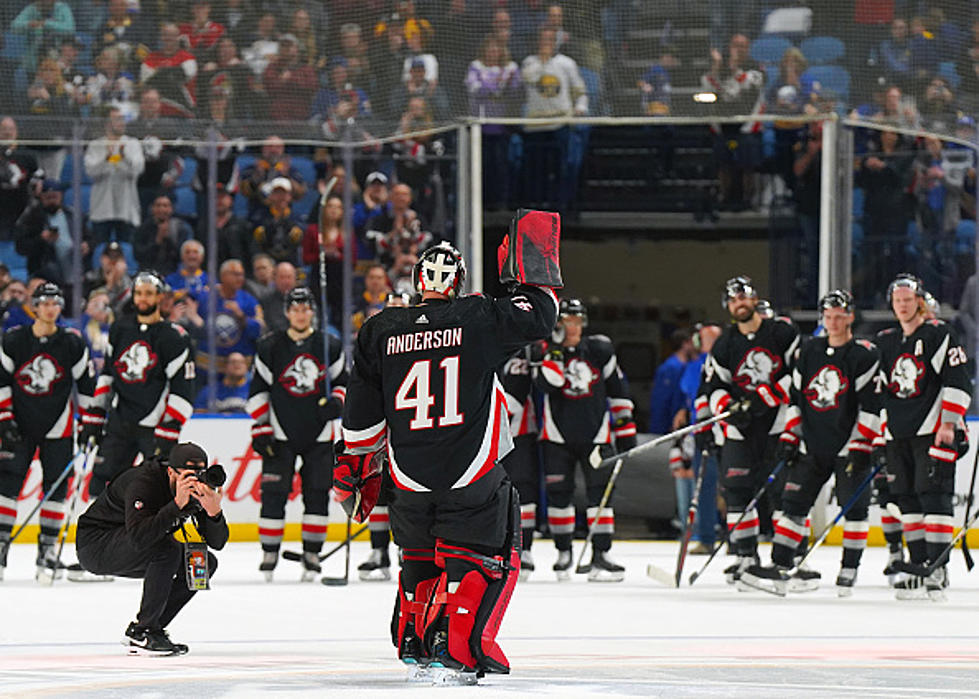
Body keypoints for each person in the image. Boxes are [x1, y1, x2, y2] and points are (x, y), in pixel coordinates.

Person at [337, 233, 560, 681]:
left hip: (408, 476)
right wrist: (533, 268)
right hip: (469, 469)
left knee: (418, 557)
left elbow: (360, 416)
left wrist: (354, 466)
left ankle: (415, 642)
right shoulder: (476, 315)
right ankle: (456, 645)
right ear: (457, 282)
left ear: (418, 280)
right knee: (477, 556)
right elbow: (540, 317)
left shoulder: (380, 329)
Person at [740, 290, 881, 596]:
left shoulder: (864, 356)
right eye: (828, 316)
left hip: (849, 447)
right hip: (812, 445)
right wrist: (792, 434)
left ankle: (849, 568)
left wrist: (861, 443)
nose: (833, 322)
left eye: (839, 316)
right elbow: (796, 397)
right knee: (793, 505)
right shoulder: (810, 351)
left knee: (854, 508)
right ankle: (780, 564)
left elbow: (871, 404)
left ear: (850, 317)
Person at [76, 442, 228, 655]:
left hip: (132, 542)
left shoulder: (196, 489)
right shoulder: (144, 483)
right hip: (95, 545)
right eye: (187, 476)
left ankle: (149, 629)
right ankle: (144, 631)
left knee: (203, 563)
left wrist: (214, 513)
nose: (194, 482)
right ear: (170, 472)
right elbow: (139, 538)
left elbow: (217, 543)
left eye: (199, 475)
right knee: (166, 549)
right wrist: (176, 505)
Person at [875, 274, 971, 601]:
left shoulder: (939, 334)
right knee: (907, 499)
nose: (902, 305)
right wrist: (879, 432)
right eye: (897, 300)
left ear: (919, 301)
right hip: (897, 434)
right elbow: (882, 391)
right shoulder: (887, 341)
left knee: (935, 497)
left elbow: (958, 379)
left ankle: (938, 568)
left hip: (933, 431)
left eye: (908, 299)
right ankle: (918, 565)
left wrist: (949, 422)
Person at [532, 297, 638, 582]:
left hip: (597, 435)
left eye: (578, 321)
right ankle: (563, 552)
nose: (574, 327)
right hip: (556, 437)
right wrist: (554, 349)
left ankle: (601, 554)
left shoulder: (599, 349)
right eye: (568, 321)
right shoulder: (543, 351)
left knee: (600, 495)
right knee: (559, 495)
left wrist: (625, 428)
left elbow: (617, 388)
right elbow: (548, 383)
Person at [703, 275, 800, 585]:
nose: (739, 304)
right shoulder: (725, 343)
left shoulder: (781, 332)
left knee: (782, 494)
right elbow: (714, 385)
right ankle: (745, 556)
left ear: (755, 299)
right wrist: (727, 408)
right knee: (737, 493)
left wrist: (764, 398)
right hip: (740, 430)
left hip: (778, 424)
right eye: (733, 300)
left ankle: (788, 558)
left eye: (743, 297)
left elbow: (799, 374)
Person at [247, 287, 346, 581]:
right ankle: (269, 553)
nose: (301, 314)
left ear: (312, 312)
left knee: (317, 494)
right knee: (273, 495)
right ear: (288, 312)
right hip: (280, 431)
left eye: (306, 308)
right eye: (295, 309)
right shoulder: (270, 346)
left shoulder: (329, 344)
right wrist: (261, 427)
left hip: (319, 434)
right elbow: (258, 390)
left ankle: (312, 553)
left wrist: (337, 402)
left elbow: (344, 383)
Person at [0, 283, 96, 581]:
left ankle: (48, 550)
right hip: (19, 426)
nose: (51, 308)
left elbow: (88, 385)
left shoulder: (72, 342)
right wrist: (4, 418)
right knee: (6, 488)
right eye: (45, 302)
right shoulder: (14, 339)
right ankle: (1, 547)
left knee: (56, 488)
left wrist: (90, 422)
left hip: (59, 427)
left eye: (56, 303)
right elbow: (1, 380)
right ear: (35, 306)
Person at [84, 271, 196, 496]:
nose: (142, 299)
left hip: (155, 429)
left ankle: (154, 532)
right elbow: (107, 376)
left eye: (148, 294)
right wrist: (94, 417)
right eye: (138, 293)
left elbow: (183, 389)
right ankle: (104, 531)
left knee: (158, 491)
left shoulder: (174, 337)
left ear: (159, 297)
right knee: (102, 486)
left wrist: (171, 426)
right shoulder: (120, 330)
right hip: (119, 422)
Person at [679, 322, 723, 555]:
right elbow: (689, 395)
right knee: (706, 486)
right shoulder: (698, 365)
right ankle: (711, 537)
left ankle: (721, 537)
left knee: (717, 487)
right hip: (702, 431)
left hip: (720, 432)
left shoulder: (702, 364)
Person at [499, 342, 540, 580]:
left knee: (524, 491)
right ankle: (497, 545)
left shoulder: (520, 351)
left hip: (519, 433)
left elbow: (515, 398)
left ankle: (524, 549)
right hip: (489, 434)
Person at [84, 107, 145, 263]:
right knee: (99, 250)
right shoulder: (96, 145)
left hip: (127, 209)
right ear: (107, 122)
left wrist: (122, 157)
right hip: (102, 209)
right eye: (116, 119)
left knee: (127, 251)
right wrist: (107, 157)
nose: (121, 123)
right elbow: (91, 171)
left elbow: (137, 170)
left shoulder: (132, 144)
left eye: (122, 119)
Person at [14, 179, 79, 288]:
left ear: (61, 196)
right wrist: (41, 239)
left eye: (55, 197)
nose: (52, 201)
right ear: (41, 197)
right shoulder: (32, 218)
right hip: (44, 276)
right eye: (48, 197)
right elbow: (21, 247)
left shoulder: (73, 216)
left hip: (73, 276)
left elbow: (90, 239)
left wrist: (86, 245)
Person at [260, 262, 297, 334]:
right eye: (282, 277)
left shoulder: (304, 298)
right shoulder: (266, 301)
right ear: (274, 279)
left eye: (289, 277)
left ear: (295, 279)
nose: (285, 281)